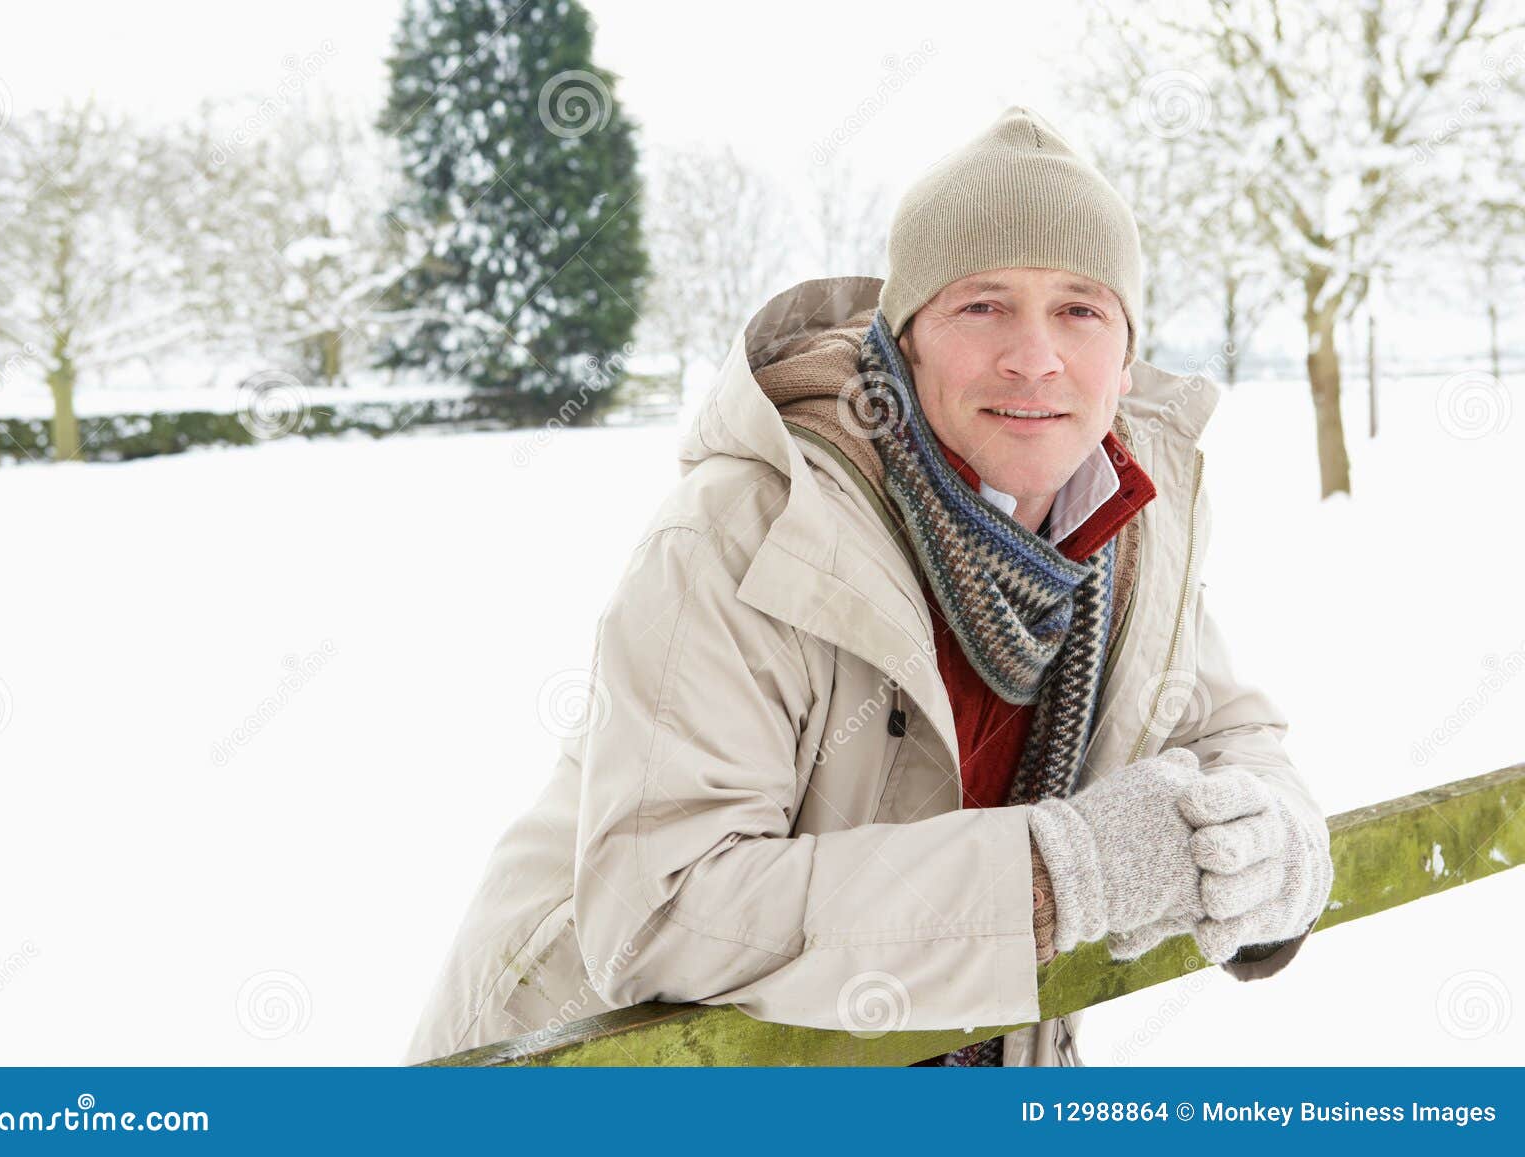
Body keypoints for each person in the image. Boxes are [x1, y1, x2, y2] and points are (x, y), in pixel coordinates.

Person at [404, 105, 1334, 1067]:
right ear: (906, 339)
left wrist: (1279, 842)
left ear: (1125, 354)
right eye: (982, 304)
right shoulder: (749, 529)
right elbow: (666, 911)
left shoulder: (1125, 531)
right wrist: (1060, 875)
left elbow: (1227, 739)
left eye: (1079, 309)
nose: (1034, 355)